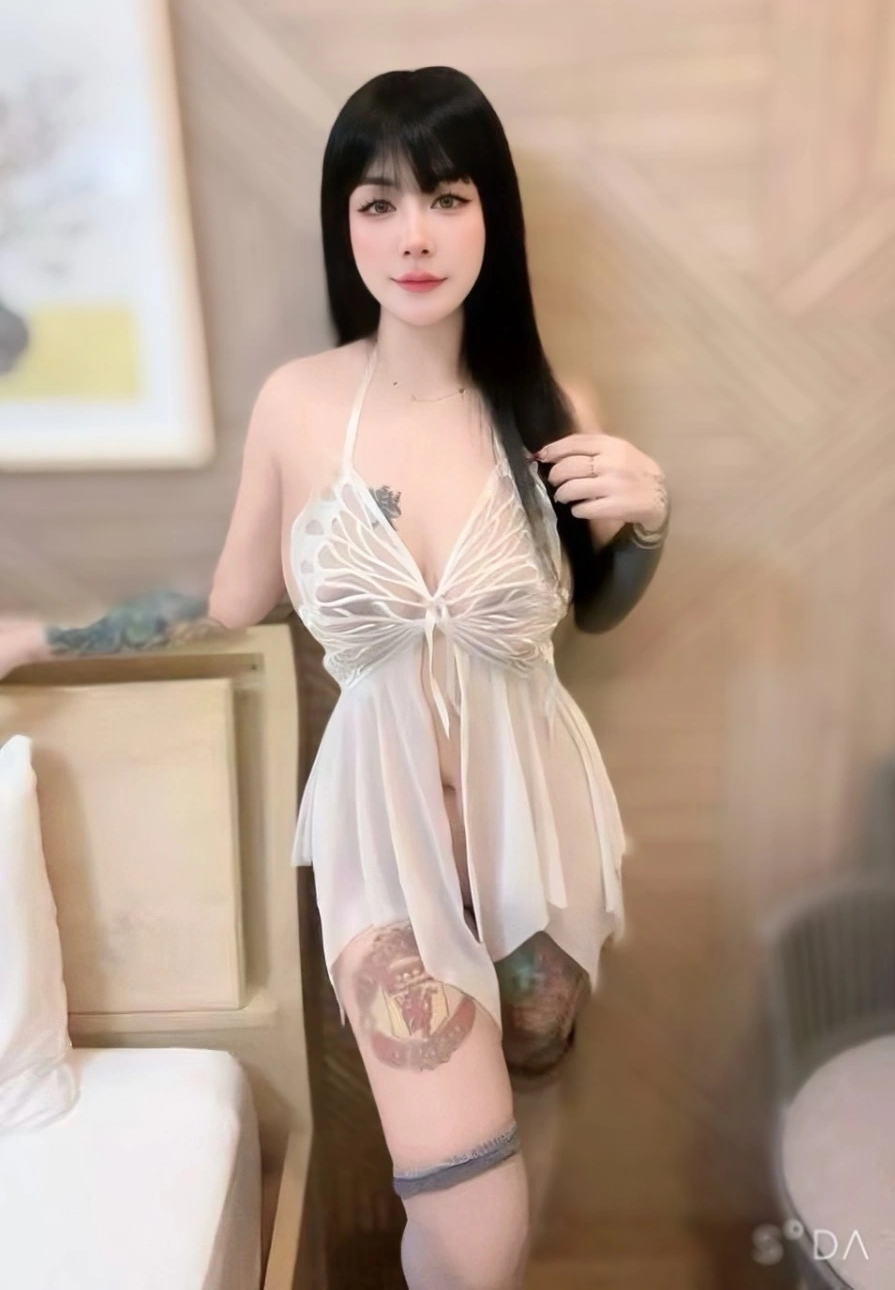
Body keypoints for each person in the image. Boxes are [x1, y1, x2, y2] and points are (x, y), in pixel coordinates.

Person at [0, 67, 669, 1290]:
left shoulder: (554, 405)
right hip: (385, 857)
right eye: (378, 202)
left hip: (536, 840)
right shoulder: (299, 406)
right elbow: (225, 606)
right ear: (342, 223)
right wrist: (49, 636)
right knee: (481, 1231)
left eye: (447, 199)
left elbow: (600, 611)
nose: (414, 235)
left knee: (518, 1130)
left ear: (492, 216)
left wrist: (650, 527)